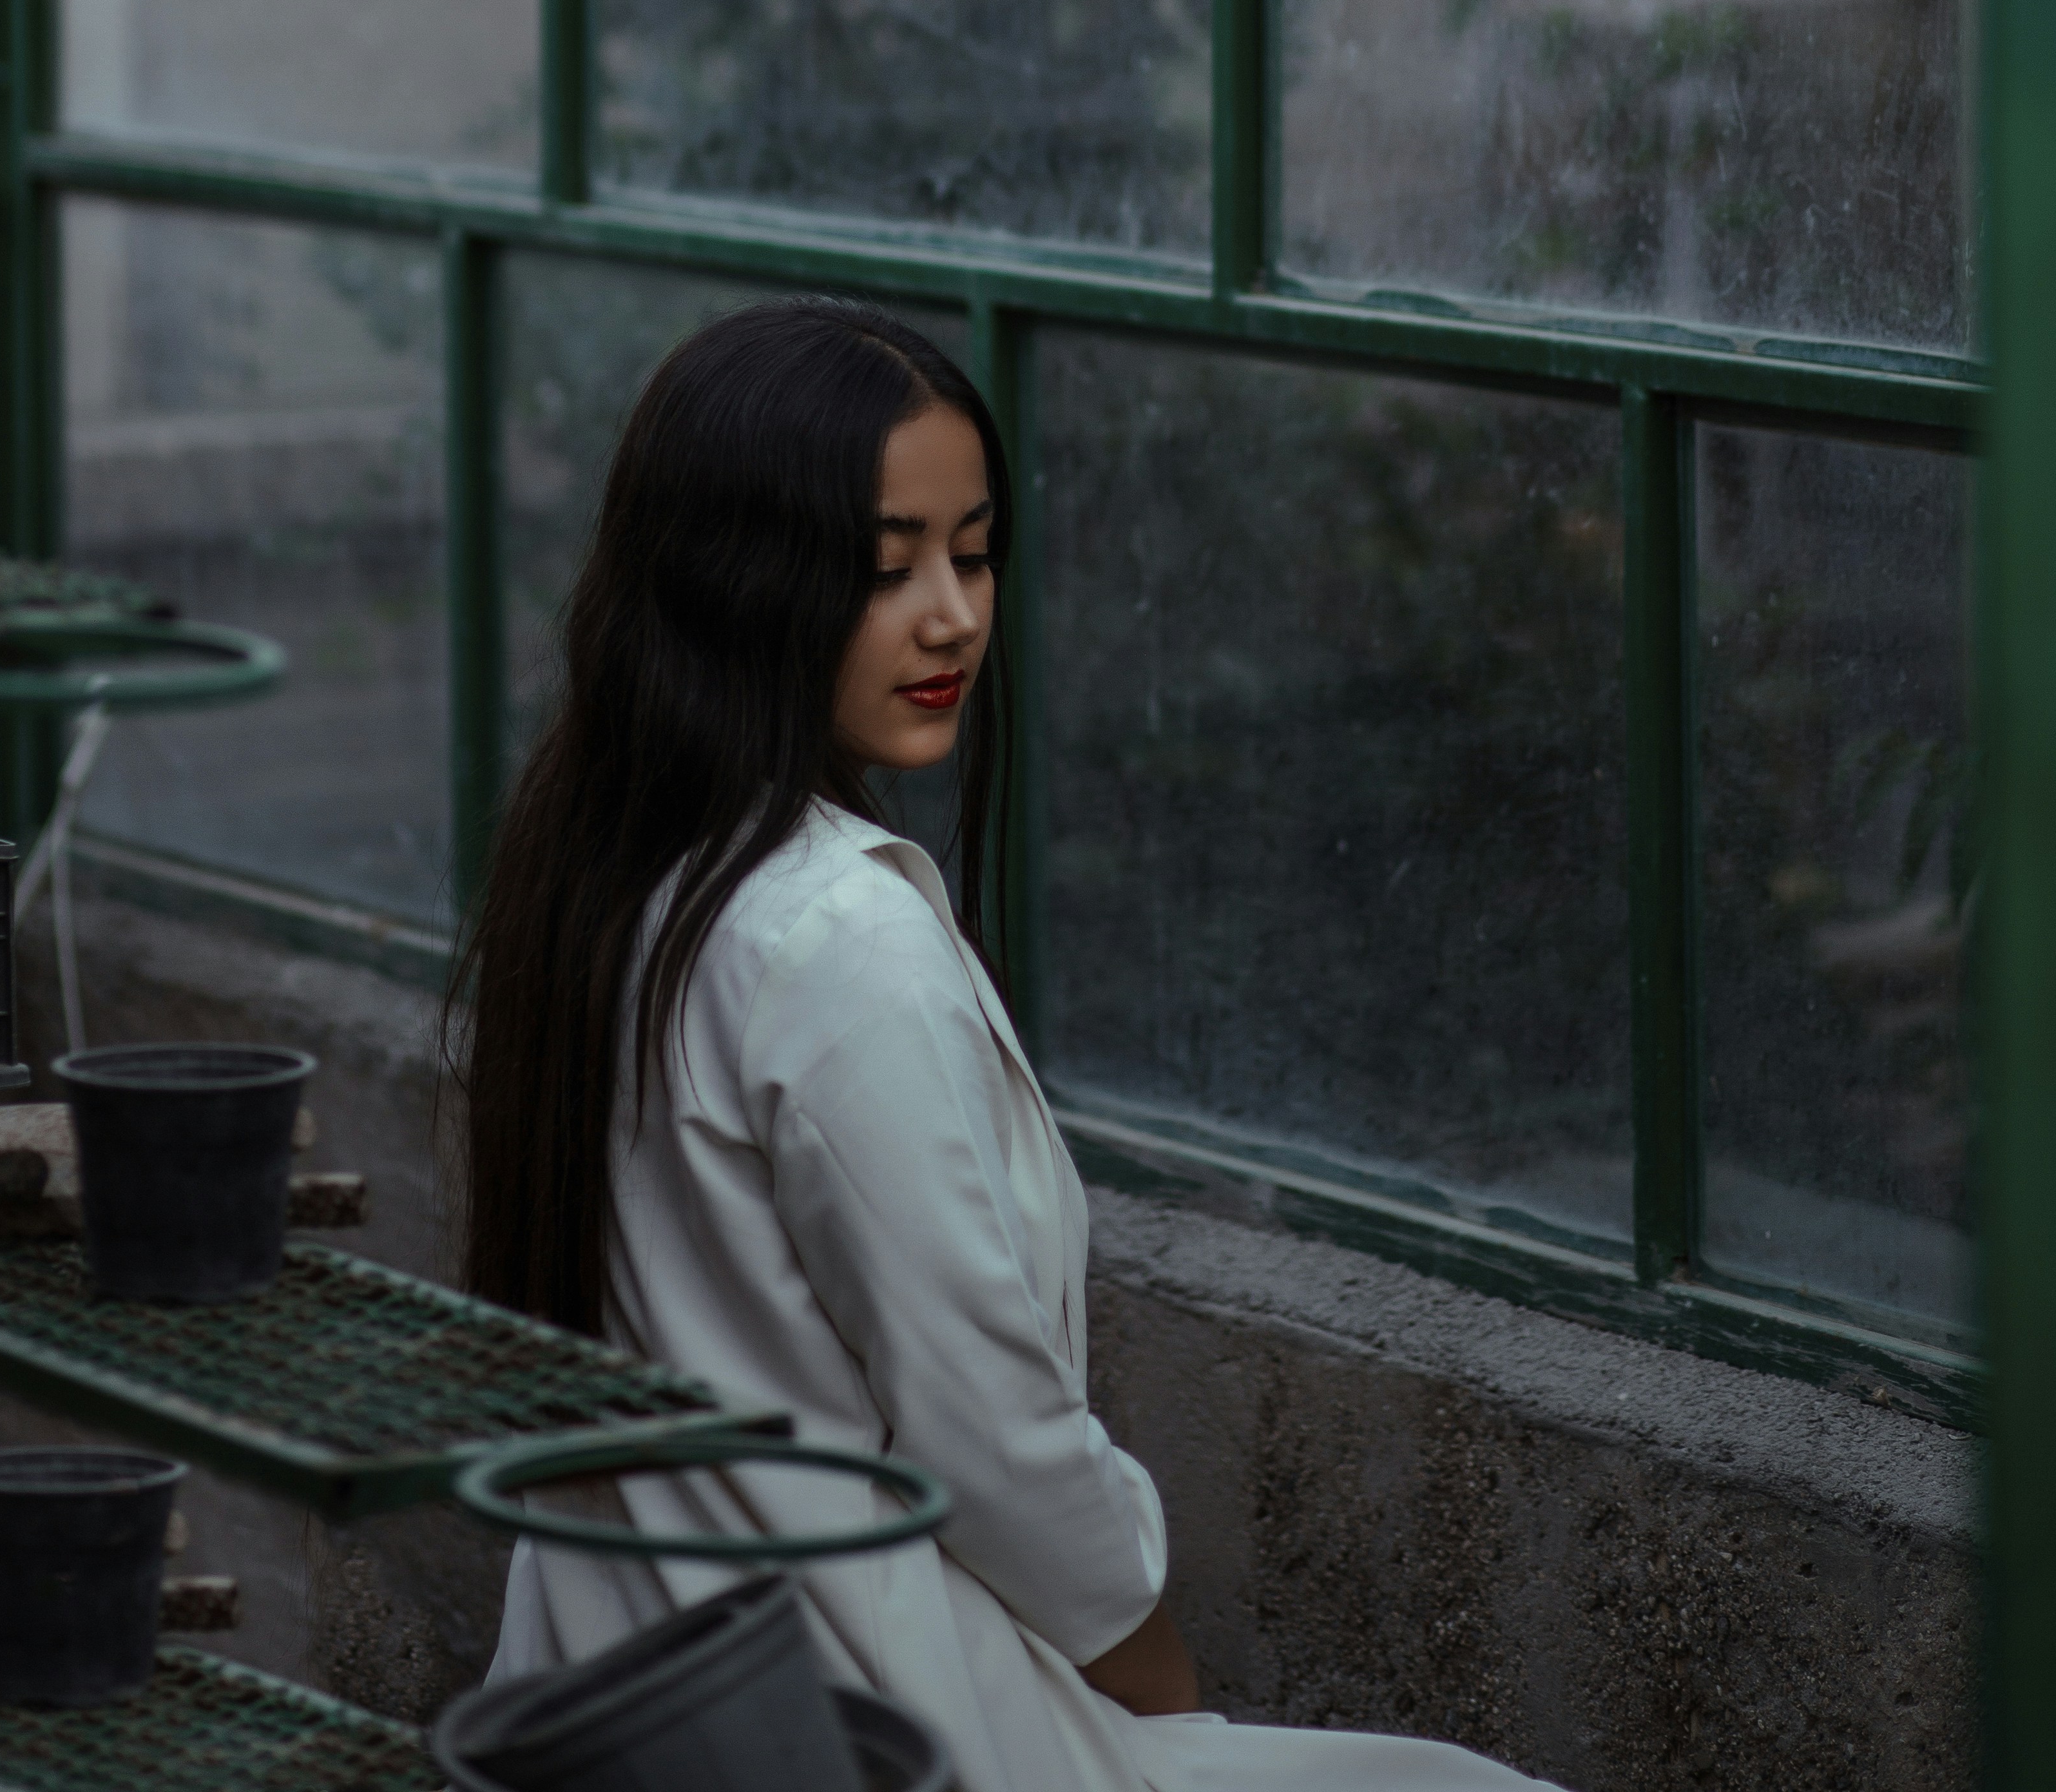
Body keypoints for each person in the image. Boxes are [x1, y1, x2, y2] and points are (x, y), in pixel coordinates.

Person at [453, 298, 1564, 1792]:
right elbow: (990, 1434)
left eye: (971, 553)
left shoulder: (603, 879)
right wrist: (1159, 1691)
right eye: (881, 565)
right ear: (732, 584)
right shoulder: (836, 944)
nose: (953, 616)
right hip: (862, 1707)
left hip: (614, 1688)